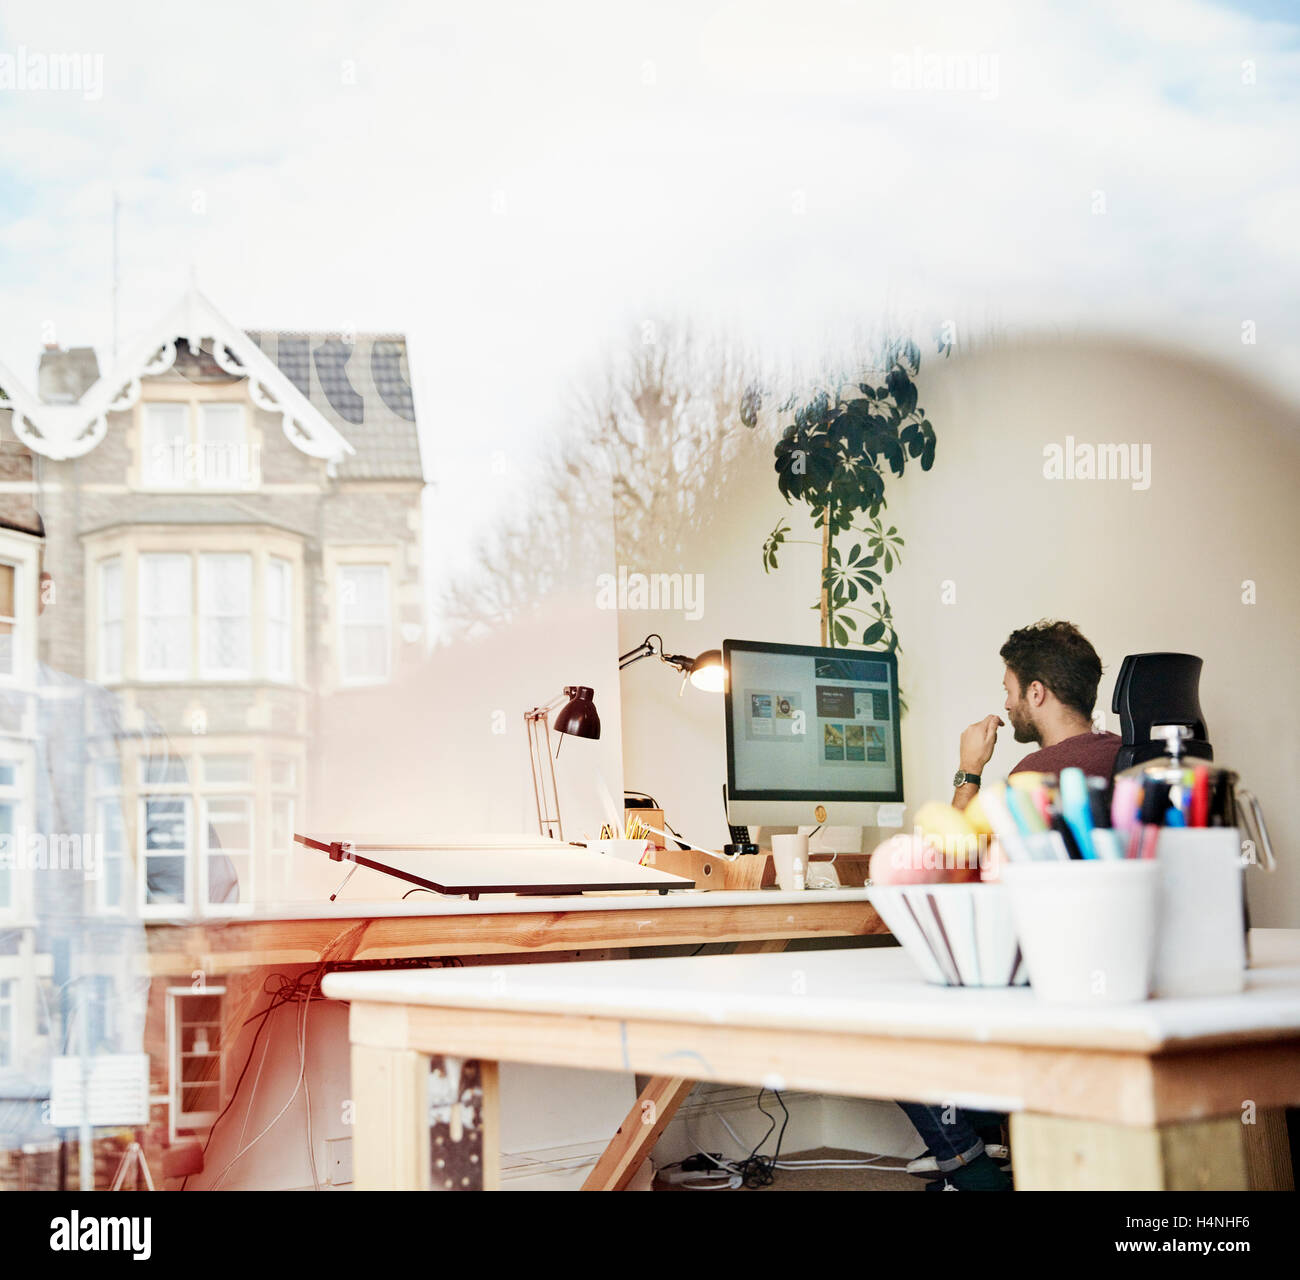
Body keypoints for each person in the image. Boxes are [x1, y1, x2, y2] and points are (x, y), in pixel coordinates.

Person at [899, 620, 1120, 1190]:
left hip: (1038, 985)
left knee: (884, 1024)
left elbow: (946, 871)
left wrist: (969, 768)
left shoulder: (1031, 776)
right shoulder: (1127, 757)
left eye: (1010, 689)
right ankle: (992, 1146)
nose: (1006, 701)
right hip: (1103, 980)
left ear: (1037, 693)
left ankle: (973, 1172)